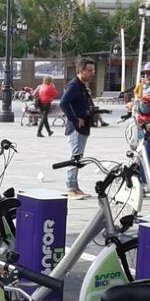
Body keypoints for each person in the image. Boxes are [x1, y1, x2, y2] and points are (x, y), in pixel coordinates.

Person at [59, 57, 97, 199]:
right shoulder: (74, 85)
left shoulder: (81, 86)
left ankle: (75, 187)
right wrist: (75, 119)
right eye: (89, 70)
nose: (92, 73)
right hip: (76, 128)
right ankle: (70, 188)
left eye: (93, 70)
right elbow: (63, 103)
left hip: (83, 127)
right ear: (81, 70)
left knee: (78, 158)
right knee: (74, 157)